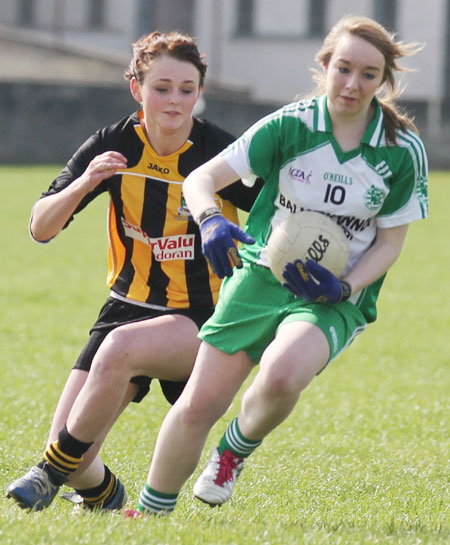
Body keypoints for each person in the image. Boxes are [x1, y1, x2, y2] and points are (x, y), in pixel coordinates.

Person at [122, 15, 428, 517]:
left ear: (383, 81)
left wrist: (345, 285)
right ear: (325, 66)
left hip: (334, 295)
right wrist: (210, 223)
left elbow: (391, 244)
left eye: (368, 74)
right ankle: (151, 514)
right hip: (262, 274)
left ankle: (231, 454)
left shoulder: (399, 149)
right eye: (344, 68)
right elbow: (201, 179)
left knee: (284, 374)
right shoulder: (292, 124)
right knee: (198, 404)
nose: (353, 84)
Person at [6, 30, 262, 512]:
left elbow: (274, 211)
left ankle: (45, 476)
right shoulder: (116, 143)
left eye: (187, 89)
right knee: (78, 454)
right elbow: (40, 227)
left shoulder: (221, 153)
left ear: (199, 92)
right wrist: (85, 182)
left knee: (116, 355)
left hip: (202, 318)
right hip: (126, 308)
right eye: (162, 87)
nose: (175, 100)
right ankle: (105, 500)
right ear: (136, 88)